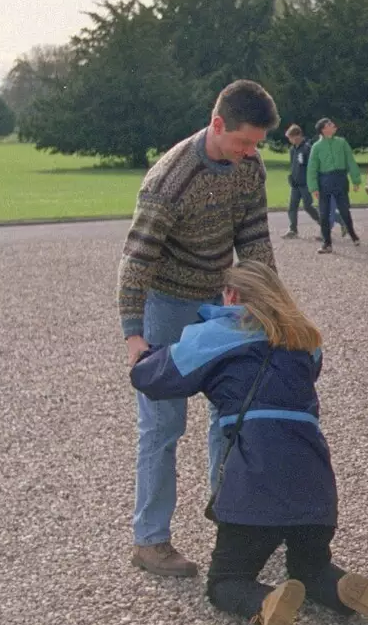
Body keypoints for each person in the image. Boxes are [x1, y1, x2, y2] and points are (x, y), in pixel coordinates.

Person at [129, 260, 368, 625]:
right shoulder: (305, 340)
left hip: (254, 480)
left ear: (231, 297)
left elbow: (154, 379)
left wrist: (139, 352)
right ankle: (338, 587)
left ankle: (265, 602)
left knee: (225, 581)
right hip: (314, 483)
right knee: (309, 569)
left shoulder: (216, 334)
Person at [118, 79, 279, 578]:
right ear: (216, 125)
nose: (250, 152)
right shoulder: (169, 180)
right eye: (243, 142)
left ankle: (234, 524)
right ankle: (150, 541)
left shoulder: (247, 167)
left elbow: (254, 237)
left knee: (232, 411)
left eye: (256, 144)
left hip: (218, 295)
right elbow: (136, 260)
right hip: (166, 302)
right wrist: (133, 333)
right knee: (164, 426)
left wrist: (264, 298)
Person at [306, 117, 361, 254]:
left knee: (344, 210)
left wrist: (356, 180)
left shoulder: (342, 143)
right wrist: (313, 188)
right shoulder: (316, 147)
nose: (333, 125)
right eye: (329, 124)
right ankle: (327, 243)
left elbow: (350, 161)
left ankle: (353, 234)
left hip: (340, 179)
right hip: (325, 181)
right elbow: (312, 168)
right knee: (324, 213)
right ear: (324, 130)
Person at [283, 124, 320, 239]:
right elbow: (293, 165)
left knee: (308, 206)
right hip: (295, 184)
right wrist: (291, 176)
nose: (290, 140)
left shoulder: (307, 149)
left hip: (305, 184)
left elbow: (312, 166)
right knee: (292, 207)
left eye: (291, 137)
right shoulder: (293, 150)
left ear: (298, 135)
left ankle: (324, 224)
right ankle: (293, 229)